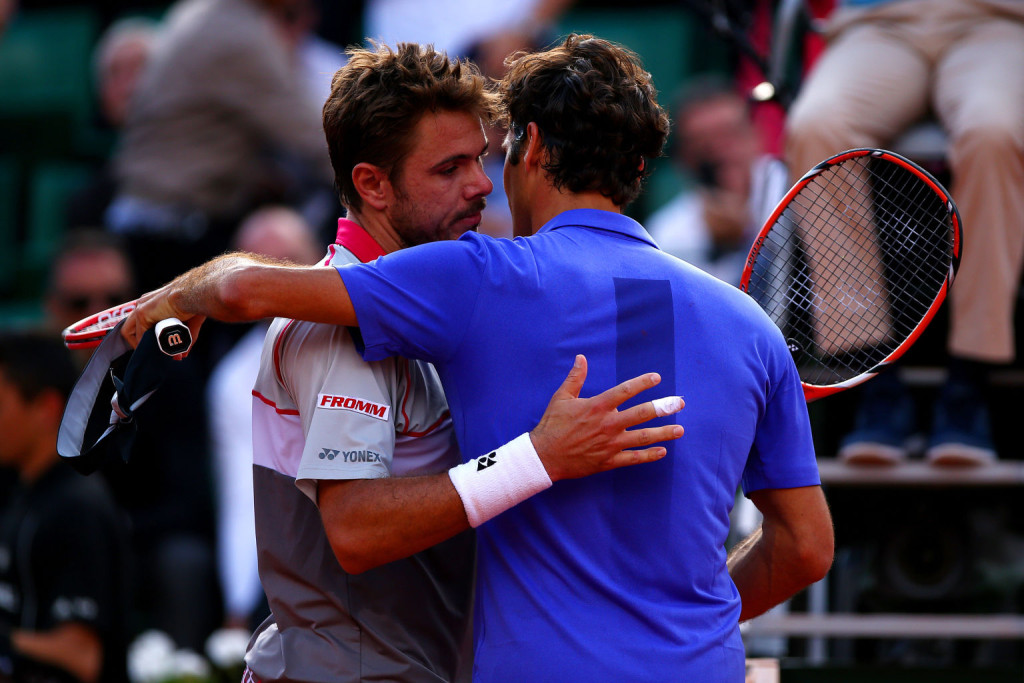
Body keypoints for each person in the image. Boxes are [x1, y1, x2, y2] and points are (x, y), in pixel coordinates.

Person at [123, 34, 834, 681]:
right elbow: (806, 548)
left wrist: (167, 300)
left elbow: (247, 289)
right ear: (641, 165)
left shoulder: (480, 277)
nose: (484, 184)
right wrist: (677, 625)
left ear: (528, 145)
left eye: (489, 158)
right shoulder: (752, 326)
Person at [203, 43, 681, 683]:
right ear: (373, 184)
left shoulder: (440, 313)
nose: (483, 183)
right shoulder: (337, 329)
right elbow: (357, 531)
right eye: (449, 168)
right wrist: (538, 456)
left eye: (481, 159)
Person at [784, 0, 1024, 466]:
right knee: (817, 127)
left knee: (994, 133)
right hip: (877, 22)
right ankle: (874, 379)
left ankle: (969, 381)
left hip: (1000, 21)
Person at [106, 0, 336, 292]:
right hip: (173, 237)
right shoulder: (240, 35)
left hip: (146, 221)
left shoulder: (198, 13)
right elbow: (319, 144)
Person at [205, 206, 320, 631]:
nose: (275, 281)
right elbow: (244, 496)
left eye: (287, 263)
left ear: (319, 262)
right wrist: (239, 606)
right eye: (258, 268)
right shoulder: (233, 379)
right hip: (290, 571)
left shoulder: (370, 335)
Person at [0, 331, 130, 683]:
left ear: (46, 409)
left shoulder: (78, 507)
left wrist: (7, 642)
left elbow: (81, 656)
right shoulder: (21, 494)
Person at [645, 75, 789, 285]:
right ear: (683, 157)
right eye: (704, 143)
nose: (722, 150)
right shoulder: (666, 235)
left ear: (756, 134)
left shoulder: (794, 189)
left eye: (730, 134)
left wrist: (747, 231)